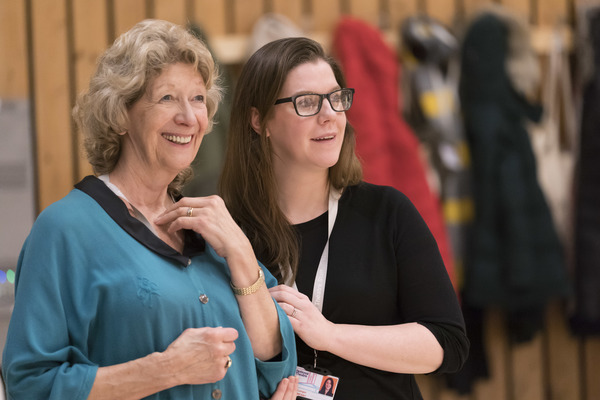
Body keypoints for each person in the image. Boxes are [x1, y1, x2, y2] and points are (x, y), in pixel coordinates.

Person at [1, 19, 297, 400]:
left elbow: (278, 367)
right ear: (121, 114)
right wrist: (166, 370)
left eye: (197, 99)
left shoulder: (218, 226)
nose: (189, 118)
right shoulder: (64, 231)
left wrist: (241, 253)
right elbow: (30, 386)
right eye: (167, 98)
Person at [219, 37, 469, 399]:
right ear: (259, 121)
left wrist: (328, 334)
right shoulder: (230, 234)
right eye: (307, 102)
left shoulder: (388, 212)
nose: (330, 115)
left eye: (337, 98)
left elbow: (447, 343)